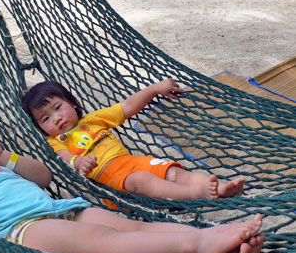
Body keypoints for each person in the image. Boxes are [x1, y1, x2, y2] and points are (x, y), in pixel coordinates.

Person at [0, 103, 264, 253]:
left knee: (132, 226)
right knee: (103, 241)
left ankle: (215, 246)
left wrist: (2, 157)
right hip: (22, 230)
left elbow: (43, 177)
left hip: (59, 208)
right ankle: (192, 248)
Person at [22, 80, 245, 201]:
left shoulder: (93, 119)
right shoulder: (56, 141)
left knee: (171, 171)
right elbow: (64, 157)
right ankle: (195, 194)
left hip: (131, 161)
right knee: (142, 180)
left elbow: (127, 107)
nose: (56, 118)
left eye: (58, 108)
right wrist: (78, 162)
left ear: (74, 104)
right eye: (45, 119)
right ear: (40, 127)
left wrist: (154, 89)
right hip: (113, 179)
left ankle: (221, 187)